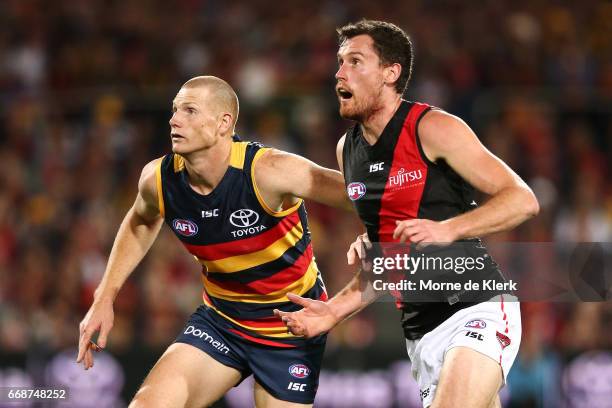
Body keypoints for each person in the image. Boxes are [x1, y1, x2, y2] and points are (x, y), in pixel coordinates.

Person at [275, 20, 539, 408]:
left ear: (390, 73)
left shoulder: (433, 128)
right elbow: (389, 262)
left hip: (476, 307)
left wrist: (449, 229)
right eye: (339, 62)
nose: (339, 73)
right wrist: (334, 311)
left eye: (354, 61)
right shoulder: (346, 152)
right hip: (421, 335)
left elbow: (522, 199)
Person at [77, 76, 352, 407]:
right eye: (175, 110)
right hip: (222, 322)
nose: (174, 120)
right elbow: (141, 220)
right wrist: (105, 295)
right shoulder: (159, 179)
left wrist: (403, 220)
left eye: (190, 111)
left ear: (224, 123)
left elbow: (360, 196)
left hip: (290, 330)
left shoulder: (269, 170)